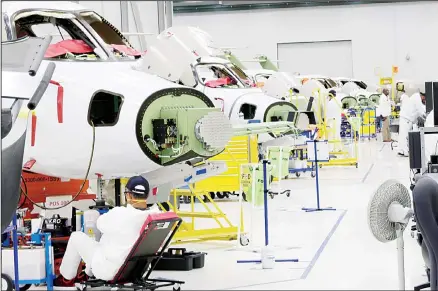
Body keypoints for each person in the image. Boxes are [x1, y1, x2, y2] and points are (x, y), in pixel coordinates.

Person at [59, 176, 160, 281]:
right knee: (109, 239)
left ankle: (66, 278)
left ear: (129, 195)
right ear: (147, 195)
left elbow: (100, 224)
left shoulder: (120, 213)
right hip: (137, 270)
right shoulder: (155, 216)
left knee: (76, 237)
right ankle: (88, 273)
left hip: (110, 270)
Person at [397, 91, 426, 157]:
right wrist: (426, 116)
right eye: (424, 99)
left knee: (403, 135)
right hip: (406, 118)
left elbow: (417, 111)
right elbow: (421, 111)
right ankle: (404, 151)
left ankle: (401, 150)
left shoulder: (416, 97)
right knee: (405, 135)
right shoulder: (417, 97)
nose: (424, 100)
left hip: (406, 118)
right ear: (422, 96)